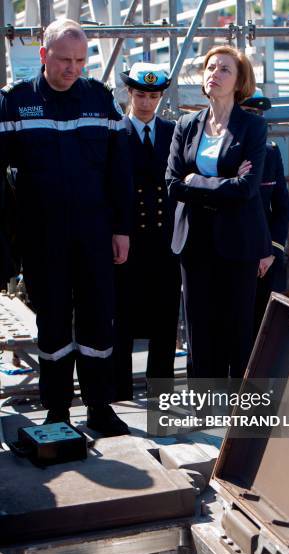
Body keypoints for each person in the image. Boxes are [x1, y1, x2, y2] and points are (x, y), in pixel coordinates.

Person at [0, 19, 132, 435]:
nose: (73, 68)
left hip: (94, 233)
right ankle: (57, 411)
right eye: (64, 60)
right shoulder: (15, 103)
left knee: (98, 320)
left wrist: (122, 229)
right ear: (43, 56)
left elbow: (119, 171)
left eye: (80, 60)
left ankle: (99, 407)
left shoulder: (99, 99)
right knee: (53, 323)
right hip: (42, 236)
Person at [166, 46, 271, 381]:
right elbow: (172, 184)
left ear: (240, 81)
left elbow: (247, 188)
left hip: (238, 239)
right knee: (199, 325)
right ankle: (204, 402)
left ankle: (238, 409)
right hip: (194, 239)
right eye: (210, 67)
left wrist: (197, 180)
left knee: (237, 324)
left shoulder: (251, 128)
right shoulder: (186, 125)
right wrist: (222, 182)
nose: (214, 73)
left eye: (225, 69)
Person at [112, 63, 180, 399]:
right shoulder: (115, 133)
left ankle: (160, 393)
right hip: (128, 239)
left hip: (164, 240)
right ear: (129, 93)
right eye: (140, 94)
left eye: (153, 95)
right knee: (122, 319)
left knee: (165, 320)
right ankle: (120, 393)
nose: (146, 102)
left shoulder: (172, 132)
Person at [241, 91, 289, 337]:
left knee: (262, 330)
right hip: (231, 256)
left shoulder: (271, 153)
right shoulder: (218, 154)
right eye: (250, 113)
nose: (257, 120)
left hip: (264, 258)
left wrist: (271, 252)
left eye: (260, 115)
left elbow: (282, 207)